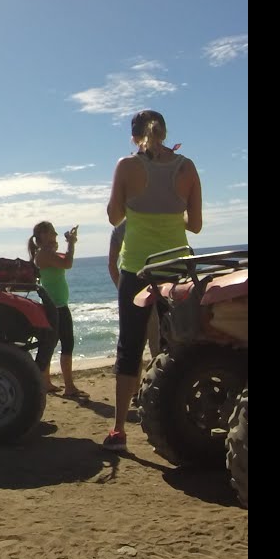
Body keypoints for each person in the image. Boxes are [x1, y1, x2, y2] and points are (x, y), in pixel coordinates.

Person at [103, 109, 202, 452]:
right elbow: (196, 224)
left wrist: (137, 204)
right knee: (180, 344)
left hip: (138, 268)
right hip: (177, 267)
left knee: (129, 347)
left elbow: (115, 216)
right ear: (165, 131)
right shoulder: (186, 167)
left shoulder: (127, 166)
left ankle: (118, 431)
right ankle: (184, 418)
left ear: (135, 136)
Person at [28, 221, 86, 399]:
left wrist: (67, 244)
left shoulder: (45, 253)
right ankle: (69, 386)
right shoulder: (44, 254)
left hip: (56, 304)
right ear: (43, 236)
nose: (55, 235)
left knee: (51, 343)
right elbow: (67, 263)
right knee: (66, 344)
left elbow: (62, 259)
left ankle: (47, 382)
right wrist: (71, 244)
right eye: (52, 232)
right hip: (57, 306)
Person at [109, 219, 160, 361]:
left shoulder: (122, 227)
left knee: (141, 345)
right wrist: (123, 291)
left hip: (150, 288)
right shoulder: (122, 227)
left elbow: (112, 265)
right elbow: (112, 265)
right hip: (147, 288)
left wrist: (123, 291)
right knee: (148, 343)